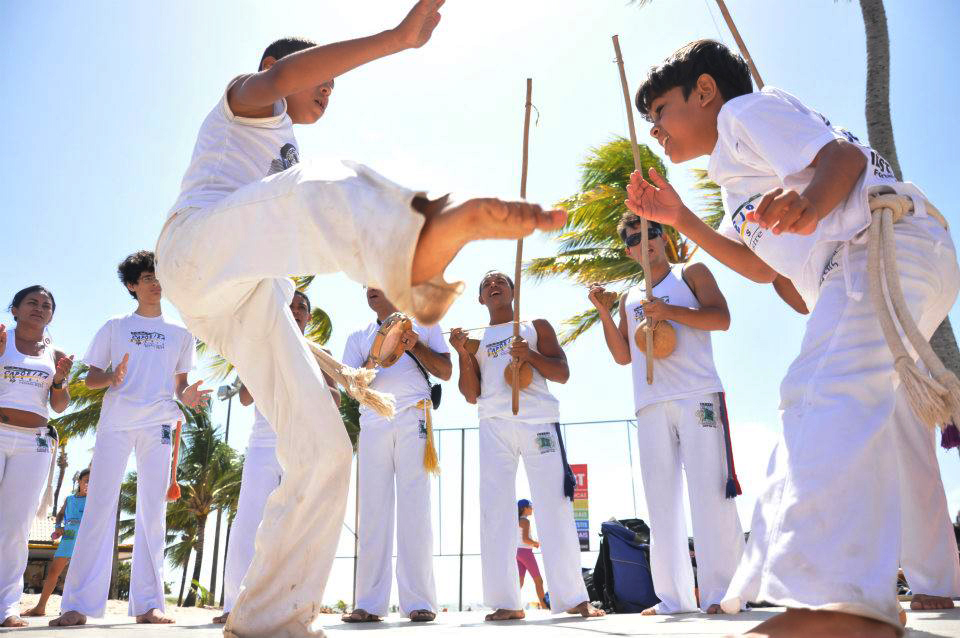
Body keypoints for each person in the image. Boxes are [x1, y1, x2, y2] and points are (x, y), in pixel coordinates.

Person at [154, 3, 565, 635]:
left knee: (325, 453)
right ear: (275, 70)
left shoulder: (286, 148)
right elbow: (284, 78)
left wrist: (344, 374)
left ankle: (270, 617)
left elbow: (282, 320)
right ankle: (411, 242)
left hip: (240, 295)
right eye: (320, 82)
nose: (328, 92)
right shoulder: (243, 102)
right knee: (323, 185)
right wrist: (398, 39)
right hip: (195, 246)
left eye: (333, 88)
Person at [626, 39, 959, 637]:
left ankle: (836, 601)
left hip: (876, 245)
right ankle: (935, 581)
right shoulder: (732, 174)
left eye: (659, 112)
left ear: (705, 91)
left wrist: (807, 203)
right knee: (893, 421)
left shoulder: (743, 112)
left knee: (816, 393)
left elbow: (844, 162)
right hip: (902, 252)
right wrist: (680, 219)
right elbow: (760, 268)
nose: (655, 130)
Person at [588, 218, 743, 615]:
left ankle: (721, 593)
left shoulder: (691, 274)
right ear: (628, 250)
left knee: (710, 493)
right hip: (650, 403)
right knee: (661, 501)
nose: (645, 241)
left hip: (696, 395)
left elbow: (721, 318)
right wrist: (605, 312)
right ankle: (673, 598)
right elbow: (624, 355)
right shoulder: (627, 298)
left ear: (665, 237)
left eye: (651, 232)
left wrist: (668, 310)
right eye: (634, 237)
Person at [51, 251, 209, 627]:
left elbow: (181, 385)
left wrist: (186, 396)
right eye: (148, 277)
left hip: (158, 424)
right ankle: (78, 604)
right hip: (116, 423)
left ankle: (149, 604)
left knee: (153, 513)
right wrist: (112, 378)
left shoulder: (181, 332)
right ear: (132, 285)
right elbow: (90, 379)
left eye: (160, 276)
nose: (156, 283)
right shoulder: (114, 326)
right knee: (99, 509)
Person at [449, 271, 603, 622]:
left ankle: (573, 598)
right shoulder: (477, 339)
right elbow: (471, 394)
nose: (493, 285)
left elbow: (562, 373)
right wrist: (462, 354)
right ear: (480, 299)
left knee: (554, 506)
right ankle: (507, 601)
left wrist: (529, 355)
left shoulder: (535, 326)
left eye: (500, 280)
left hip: (537, 422)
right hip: (494, 425)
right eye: (486, 283)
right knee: (495, 511)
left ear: (513, 290)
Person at [214, 290, 339, 625]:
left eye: (302, 307)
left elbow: (336, 401)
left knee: (297, 524)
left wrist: (313, 387)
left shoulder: (321, 353)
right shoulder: (261, 346)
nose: (296, 311)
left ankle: (289, 605)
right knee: (248, 520)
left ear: (309, 317)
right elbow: (243, 397)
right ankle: (232, 604)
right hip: (263, 443)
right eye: (291, 306)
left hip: (302, 445)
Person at [341, 287, 451, 624]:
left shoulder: (425, 323)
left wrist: (413, 343)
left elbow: (446, 371)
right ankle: (369, 604)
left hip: (413, 414)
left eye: (378, 281)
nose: (371, 289)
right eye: (366, 286)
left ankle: (419, 601)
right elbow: (349, 385)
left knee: (415, 507)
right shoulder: (359, 336)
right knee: (372, 510)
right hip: (373, 420)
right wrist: (379, 353)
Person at [0, 286, 73, 629]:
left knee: (15, 528)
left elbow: (59, 405)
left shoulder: (55, 353)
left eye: (46, 305)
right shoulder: (1, 340)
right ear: (14, 309)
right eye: (32, 302)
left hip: (35, 444)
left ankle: (6, 607)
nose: (39, 308)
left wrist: (59, 380)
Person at [23, 469, 90, 617]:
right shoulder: (70, 499)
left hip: (85, 541)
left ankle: (73, 608)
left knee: (79, 575)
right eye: (86, 480)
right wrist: (58, 527)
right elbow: (60, 515)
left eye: (92, 482)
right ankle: (40, 607)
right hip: (68, 538)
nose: (88, 484)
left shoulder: (93, 500)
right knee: (53, 571)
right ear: (79, 481)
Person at [516, 499, 548, 609]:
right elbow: (525, 539)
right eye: (530, 507)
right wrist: (536, 543)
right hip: (525, 552)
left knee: (519, 582)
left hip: (517, 552)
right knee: (538, 580)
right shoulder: (525, 521)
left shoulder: (516, 520)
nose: (532, 509)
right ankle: (544, 606)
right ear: (524, 508)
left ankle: (510, 605)